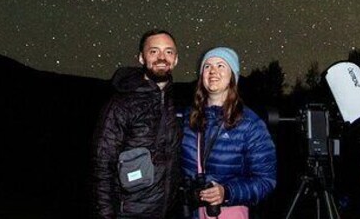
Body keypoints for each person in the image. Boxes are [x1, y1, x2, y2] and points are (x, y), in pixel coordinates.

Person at [92, 29, 182, 219]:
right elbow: (102, 163)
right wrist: (106, 214)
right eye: (153, 51)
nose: (161, 57)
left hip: (166, 210)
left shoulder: (178, 102)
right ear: (141, 58)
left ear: (175, 59)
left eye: (168, 52)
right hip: (128, 213)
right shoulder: (121, 103)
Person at [181, 47, 277, 218]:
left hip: (229, 211)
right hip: (192, 212)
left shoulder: (250, 124)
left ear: (233, 75)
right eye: (207, 66)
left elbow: (266, 181)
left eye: (220, 66)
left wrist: (226, 192)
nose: (213, 71)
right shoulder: (188, 118)